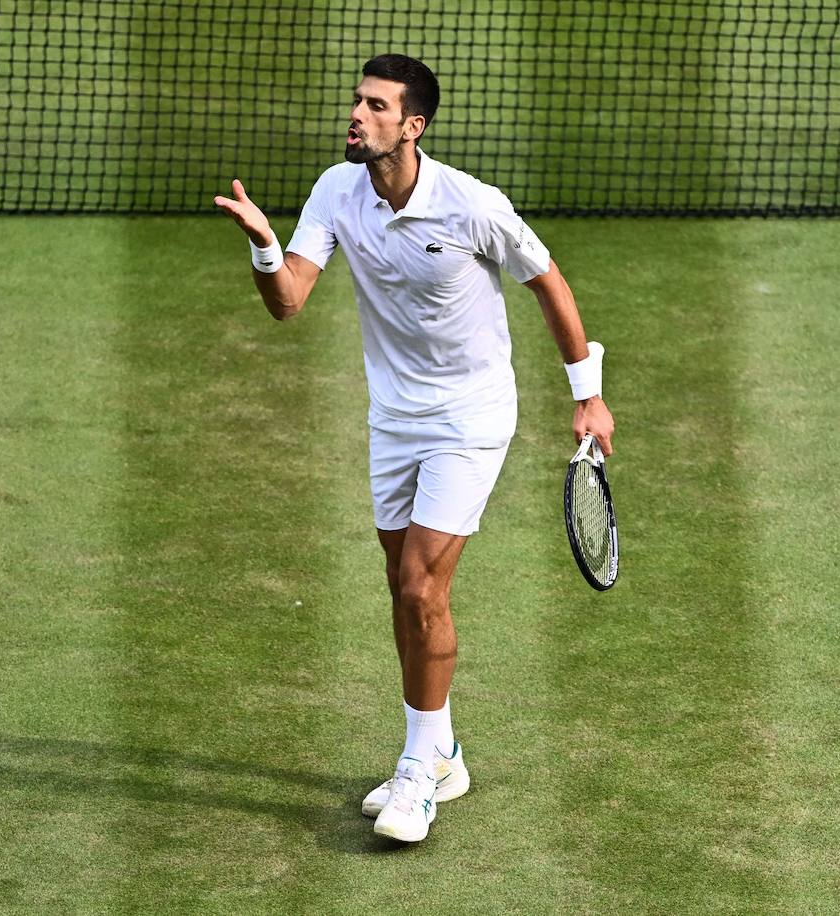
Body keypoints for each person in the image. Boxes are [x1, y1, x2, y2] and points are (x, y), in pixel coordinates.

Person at [213, 53, 615, 843]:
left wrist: (588, 395)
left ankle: (416, 772)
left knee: (421, 585)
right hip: (393, 418)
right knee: (403, 586)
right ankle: (443, 753)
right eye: (356, 102)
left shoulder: (473, 205)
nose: (355, 115)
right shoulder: (336, 189)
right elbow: (288, 302)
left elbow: (549, 283)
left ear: (413, 125)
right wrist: (265, 246)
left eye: (374, 106)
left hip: (470, 416)